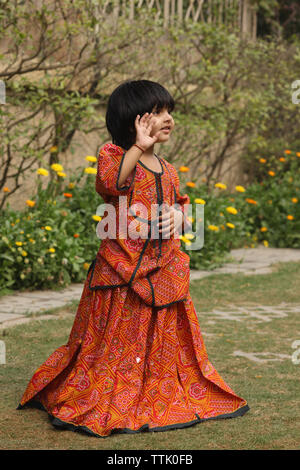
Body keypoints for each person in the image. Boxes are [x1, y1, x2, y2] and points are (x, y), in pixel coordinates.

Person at [17, 79, 249, 438]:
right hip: (122, 271)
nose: (168, 119)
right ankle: (111, 389)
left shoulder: (168, 169)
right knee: (115, 346)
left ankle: (158, 388)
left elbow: (182, 206)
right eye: (158, 112)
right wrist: (138, 147)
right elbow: (111, 183)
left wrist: (182, 217)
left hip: (163, 270)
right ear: (134, 120)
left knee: (165, 347)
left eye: (170, 111)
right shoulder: (114, 155)